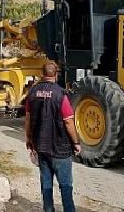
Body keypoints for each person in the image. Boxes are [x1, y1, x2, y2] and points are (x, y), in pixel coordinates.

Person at [25, 62, 81, 212]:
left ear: (42, 74)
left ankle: (48, 210)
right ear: (56, 75)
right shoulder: (60, 94)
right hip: (60, 150)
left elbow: (28, 119)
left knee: (46, 184)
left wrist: (29, 139)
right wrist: (76, 143)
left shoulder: (32, 92)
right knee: (66, 186)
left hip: (41, 148)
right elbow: (68, 122)